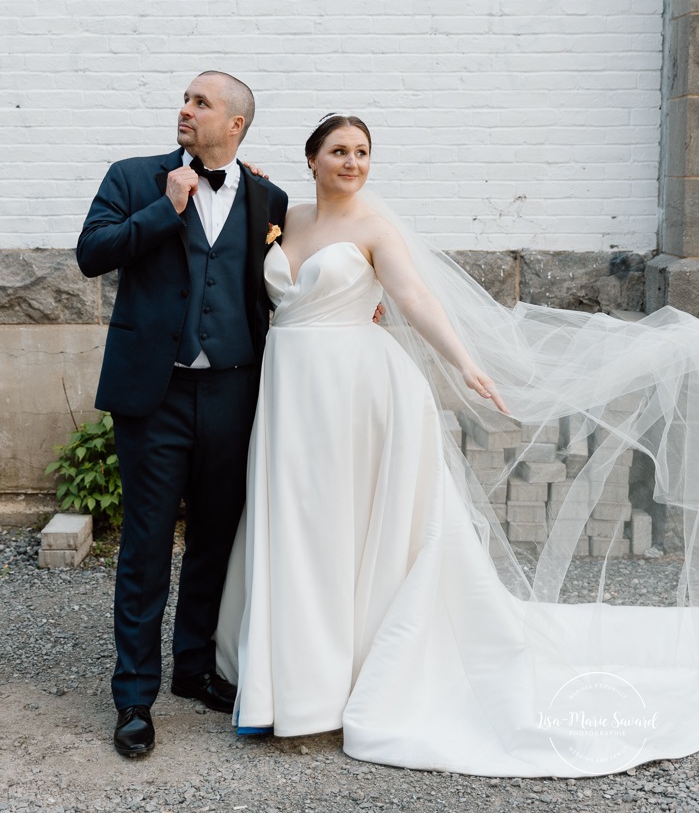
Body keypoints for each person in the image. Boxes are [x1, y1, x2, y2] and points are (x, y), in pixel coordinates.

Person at [215, 113, 699, 777]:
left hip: (360, 391)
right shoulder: (284, 219)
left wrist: (464, 361)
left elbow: (411, 295)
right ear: (311, 159)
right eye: (338, 151)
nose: (352, 162)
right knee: (296, 520)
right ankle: (285, 675)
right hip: (289, 391)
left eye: (361, 152)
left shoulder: (373, 226)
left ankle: (337, 680)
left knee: (345, 526)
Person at [76, 71, 288, 758]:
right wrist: (164, 209)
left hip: (233, 390)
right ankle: (134, 696)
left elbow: (283, 277)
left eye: (201, 103)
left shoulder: (268, 196)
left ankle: (193, 669)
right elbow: (91, 254)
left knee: (214, 541)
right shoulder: (134, 177)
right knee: (143, 548)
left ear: (235, 125)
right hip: (154, 393)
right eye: (185, 99)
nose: (185, 109)